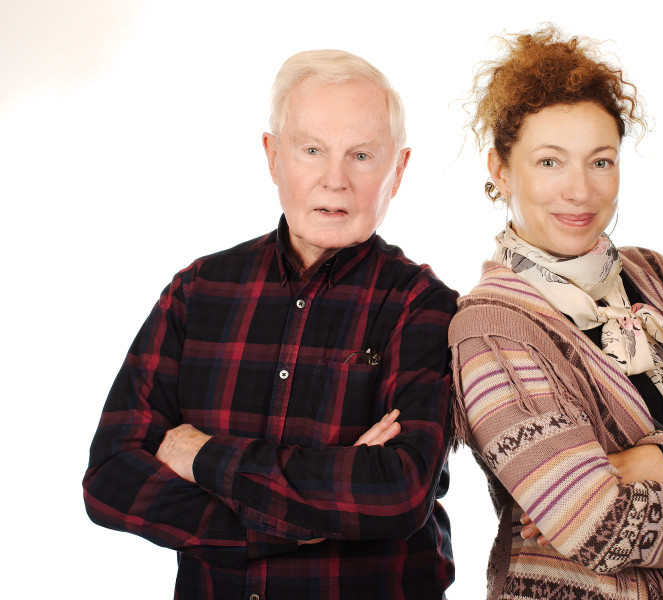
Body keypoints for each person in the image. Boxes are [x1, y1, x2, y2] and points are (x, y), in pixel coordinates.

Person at [83, 49, 457, 600]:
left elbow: (396, 493)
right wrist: (290, 520)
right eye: (311, 150)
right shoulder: (198, 290)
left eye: (361, 155)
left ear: (397, 170)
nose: (335, 180)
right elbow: (112, 478)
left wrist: (201, 456)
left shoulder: (424, 305)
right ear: (273, 156)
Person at [449, 27, 663, 600]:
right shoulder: (491, 332)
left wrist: (660, 459)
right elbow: (605, 532)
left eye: (601, 161)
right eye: (549, 162)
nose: (580, 191)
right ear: (501, 168)